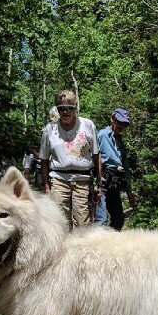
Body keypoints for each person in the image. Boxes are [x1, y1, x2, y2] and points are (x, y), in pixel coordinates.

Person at [39, 90, 101, 229]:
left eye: (69, 109)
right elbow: (43, 160)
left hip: (83, 180)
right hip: (58, 179)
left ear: (75, 108)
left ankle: (83, 249)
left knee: (83, 222)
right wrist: (47, 187)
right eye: (61, 109)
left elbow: (96, 155)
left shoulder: (87, 125)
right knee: (60, 222)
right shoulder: (49, 129)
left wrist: (99, 183)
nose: (65, 112)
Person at [95, 108, 136, 230]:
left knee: (118, 219)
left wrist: (129, 191)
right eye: (119, 122)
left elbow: (125, 166)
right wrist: (97, 183)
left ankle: (111, 245)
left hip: (115, 183)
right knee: (101, 220)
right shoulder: (101, 135)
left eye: (124, 124)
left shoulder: (120, 141)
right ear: (112, 119)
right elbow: (95, 157)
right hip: (102, 181)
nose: (121, 126)